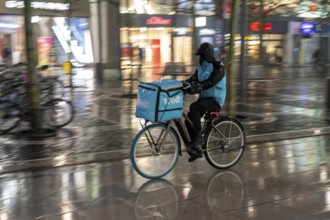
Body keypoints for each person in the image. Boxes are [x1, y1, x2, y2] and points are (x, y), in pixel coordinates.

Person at [184, 42, 227, 162]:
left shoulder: (219, 67)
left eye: (202, 55)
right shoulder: (202, 68)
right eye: (199, 56)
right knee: (188, 119)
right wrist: (182, 84)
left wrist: (199, 87)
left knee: (194, 107)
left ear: (208, 55)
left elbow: (211, 82)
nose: (200, 58)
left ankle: (198, 138)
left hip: (215, 100)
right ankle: (195, 148)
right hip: (205, 99)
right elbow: (193, 79)